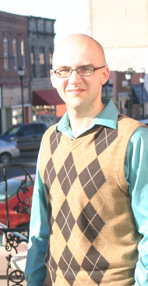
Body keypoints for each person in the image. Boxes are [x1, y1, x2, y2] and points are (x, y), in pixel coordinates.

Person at [25, 34, 148, 285]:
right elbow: (39, 231)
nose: (74, 79)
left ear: (105, 74)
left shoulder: (134, 139)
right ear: (52, 77)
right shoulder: (49, 139)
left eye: (86, 69)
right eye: (64, 70)